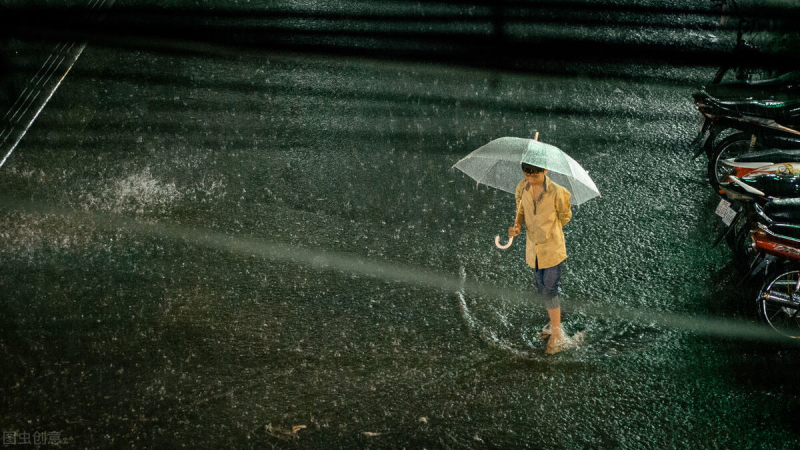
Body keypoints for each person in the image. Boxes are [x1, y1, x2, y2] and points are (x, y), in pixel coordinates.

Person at [508, 162, 573, 355]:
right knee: (542, 288)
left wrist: (548, 226)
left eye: (534, 174)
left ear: (545, 171)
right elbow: (520, 211)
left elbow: (565, 217)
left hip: (552, 249)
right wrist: (517, 227)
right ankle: (553, 324)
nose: (530, 178)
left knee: (549, 289)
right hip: (533, 250)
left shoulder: (557, 192)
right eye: (527, 173)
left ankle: (557, 333)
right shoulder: (522, 187)